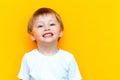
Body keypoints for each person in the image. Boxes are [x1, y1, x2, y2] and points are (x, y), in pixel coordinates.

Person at [17, 7, 82, 80]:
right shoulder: (28, 58)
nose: (47, 28)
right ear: (32, 36)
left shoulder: (68, 58)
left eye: (51, 24)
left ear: (60, 32)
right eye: (40, 26)